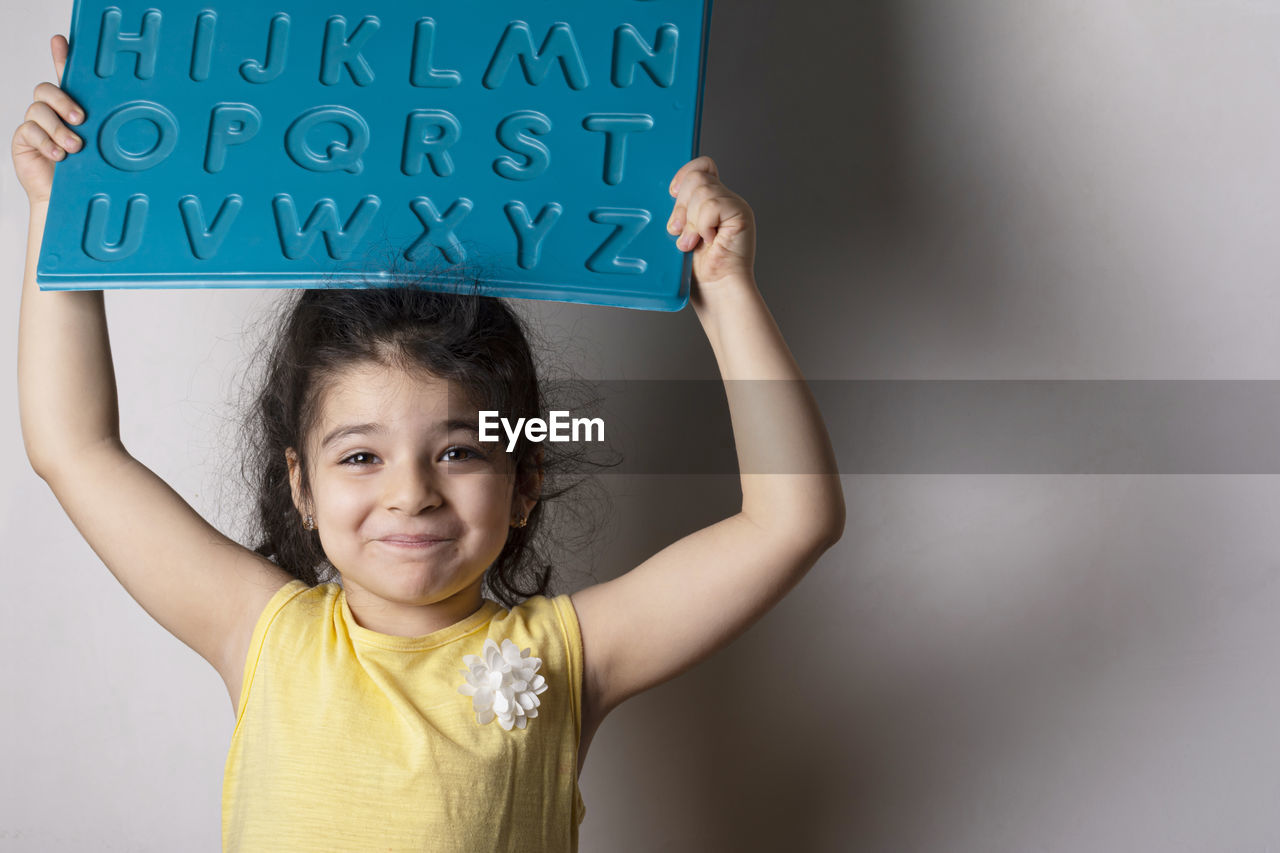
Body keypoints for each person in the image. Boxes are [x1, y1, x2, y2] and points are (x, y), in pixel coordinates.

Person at [15, 34, 845, 852]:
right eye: (360, 456)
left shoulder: (567, 658)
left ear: (525, 480)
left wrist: (727, 291)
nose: (411, 492)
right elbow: (75, 447)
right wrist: (62, 213)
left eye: (458, 451)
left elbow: (790, 518)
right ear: (300, 486)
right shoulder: (260, 632)